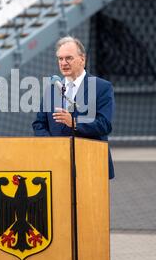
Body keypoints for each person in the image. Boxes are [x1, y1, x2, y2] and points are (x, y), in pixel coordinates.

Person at [32, 36, 115, 179]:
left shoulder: (102, 87)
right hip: (57, 164)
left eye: (69, 58)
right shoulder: (52, 90)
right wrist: (52, 145)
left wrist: (74, 123)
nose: (63, 63)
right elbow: (39, 124)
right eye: (60, 59)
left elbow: (104, 125)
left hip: (90, 163)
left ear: (82, 59)